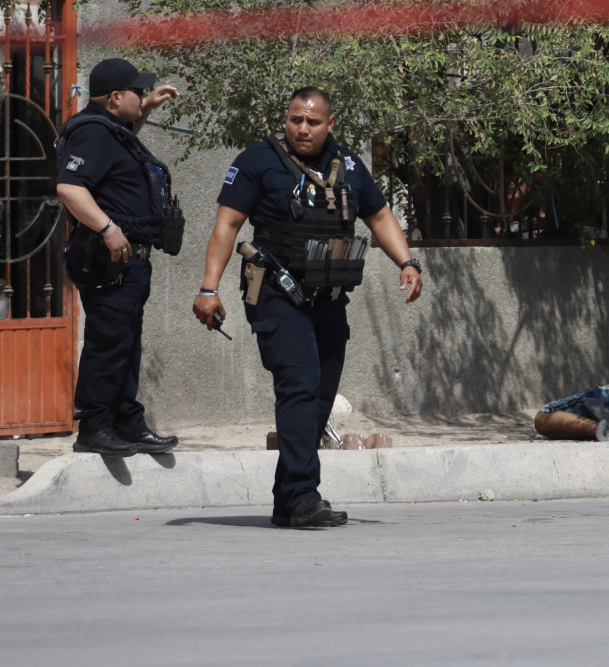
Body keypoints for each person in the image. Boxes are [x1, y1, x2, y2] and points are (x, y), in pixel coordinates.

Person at [192, 87, 423, 529]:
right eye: (295, 119)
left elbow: (379, 216)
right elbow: (227, 224)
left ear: (329, 124)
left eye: (312, 121)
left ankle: (287, 499)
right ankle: (303, 496)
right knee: (298, 385)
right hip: (276, 294)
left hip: (329, 297)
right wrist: (208, 288)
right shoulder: (257, 161)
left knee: (318, 397)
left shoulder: (348, 164)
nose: (302, 128)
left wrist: (407, 263)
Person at [56, 58, 181, 458]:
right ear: (115, 97)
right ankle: (94, 427)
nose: (141, 96)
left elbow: (120, 147)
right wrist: (108, 228)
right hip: (107, 259)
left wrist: (146, 109)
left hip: (129, 262)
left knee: (125, 342)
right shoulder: (92, 133)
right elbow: (70, 188)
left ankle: (126, 421)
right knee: (108, 342)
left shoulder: (110, 129)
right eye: (137, 92)